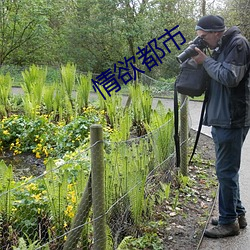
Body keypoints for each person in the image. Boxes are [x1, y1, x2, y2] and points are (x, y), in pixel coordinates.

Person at [192, 15, 250, 238]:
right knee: (227, 171)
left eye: (204, 37)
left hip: (232, 118)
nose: (203, 41)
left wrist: (205, 61)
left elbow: (229, 77)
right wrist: (201, 61)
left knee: (225, 171)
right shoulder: (221, 46)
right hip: (222, 117)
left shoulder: (238, 44)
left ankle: (228, 223)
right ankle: (237, 214)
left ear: (216, 32)